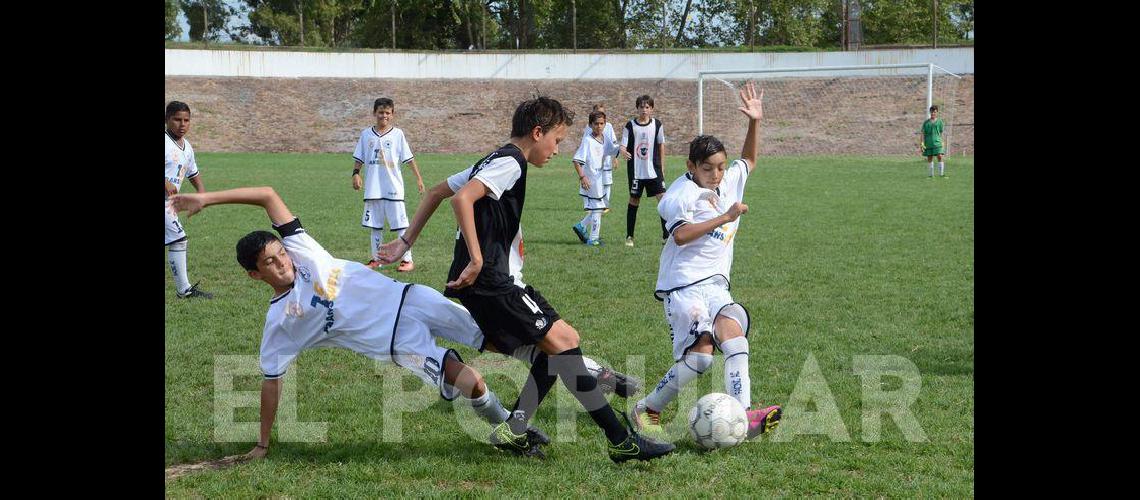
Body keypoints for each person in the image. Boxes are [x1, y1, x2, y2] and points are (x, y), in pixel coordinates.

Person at [377, 96, 673, 463]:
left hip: (488, 282)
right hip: (489, 282)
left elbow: (438, 191)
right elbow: (461, 200)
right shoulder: (511, 162)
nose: (557, 150)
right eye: (557, 141)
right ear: (537, 133)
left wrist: (406, 241)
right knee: (562, 342)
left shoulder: (494, 158)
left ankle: (516, 430)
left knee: (555, 351)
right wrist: (477, 256)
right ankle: (620, 441)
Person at [168, 186, 551, 460]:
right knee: (472, 381)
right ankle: (510, 433)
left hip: (412, 299)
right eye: (269, 262)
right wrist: (263, 443)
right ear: (254, 275)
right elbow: (272, 380)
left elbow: (268, 195)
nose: (282, 261)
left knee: (504, 339)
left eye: (279, 252)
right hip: (397, 346)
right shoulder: (280, 323)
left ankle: (584, 369)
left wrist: (206, 198)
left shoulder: (303, 252)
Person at [629, 82, 782, 441]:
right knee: (701, 358)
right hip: (683, 285)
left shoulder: (728, 181)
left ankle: (743, 416)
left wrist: (754, 122)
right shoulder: (678, 196)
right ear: (691, 166)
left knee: (735, 339)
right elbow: (680, 235)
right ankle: (647, 408)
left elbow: (750, 161)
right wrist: (724, 218)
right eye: (709, 168)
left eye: (721, 167)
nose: (717, 175)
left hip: (716, 285)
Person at [352, 98, 426, 271]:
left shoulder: (398, 134)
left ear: (392, 114)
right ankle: (376, 259)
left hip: (393, 188)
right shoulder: (366, 135)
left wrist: (419, 178)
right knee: (375, 226)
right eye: (380, 112)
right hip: (373, 188)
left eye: (387, 113)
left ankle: (407, 260)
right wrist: (355, 173)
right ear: (374, 113)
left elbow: (409, 158)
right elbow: (359, 157)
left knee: (401, 225)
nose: (383, 116)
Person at [165, 101, 212, 299]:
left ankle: (184, 290)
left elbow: (193, 172)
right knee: (179, 238)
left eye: (186, 120)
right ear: (167, 119)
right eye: (177, 119)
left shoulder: (187, 147)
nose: (182, 124)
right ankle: (184, 291)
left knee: (178, 239)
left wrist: (202, 194)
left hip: (169, 204)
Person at [618, 95, 668, 246]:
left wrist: (662, 168)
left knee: (663, 200)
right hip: (636, 172)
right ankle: (629, 237)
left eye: (647, 107)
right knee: (634, 200)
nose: (644, 110)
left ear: (651, 109)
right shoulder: (630, 126)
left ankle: (666, 236)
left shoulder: (657, 125)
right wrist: (623, 151)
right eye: (641, 107)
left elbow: (661, 146)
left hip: (654, 171)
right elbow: (622, 146)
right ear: (637, 108)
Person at [571, 111, 621, 245]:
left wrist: (624, 148)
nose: (599, 126)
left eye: (601, 123)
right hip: (591, 179)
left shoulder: (605, 138)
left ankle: (582, 227)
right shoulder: (587, 140)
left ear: (605, 124)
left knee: (599, 207)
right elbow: (576, 160)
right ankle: (593, 239)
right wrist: (583, 177)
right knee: (598, 209)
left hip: (600, 178)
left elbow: (613, 149)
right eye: (596, 124)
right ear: (590, 125)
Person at [919, 105, 947, 178]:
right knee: (930, 158)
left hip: (937, 142)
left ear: (937, 112)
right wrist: (921, 143)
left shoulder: (940, 122)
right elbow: (922, 133)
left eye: (934, 112)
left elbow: (941, 133)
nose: (933, 113)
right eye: (932, 112)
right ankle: (931, 175)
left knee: (940, 156)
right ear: (930, 112)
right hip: (928, 143)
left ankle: (941, 174)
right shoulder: (926, 122)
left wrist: (942, 141)